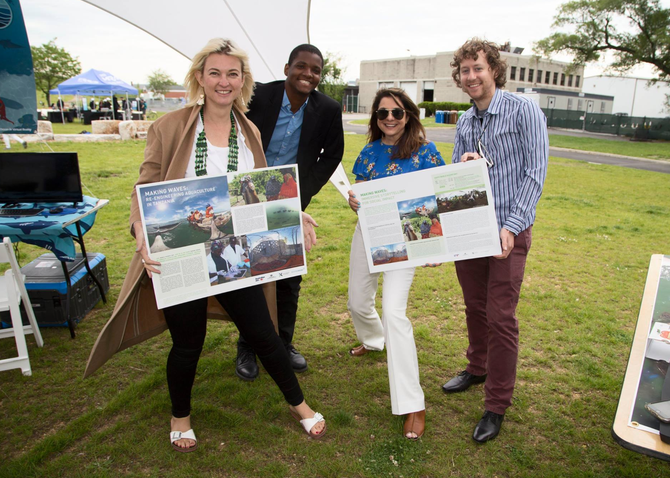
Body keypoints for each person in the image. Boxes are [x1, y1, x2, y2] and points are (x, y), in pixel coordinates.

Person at [88, 38, 327, 453]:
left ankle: (299, 405)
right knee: (188, 341)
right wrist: (139, 227)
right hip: (182, 255)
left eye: (232, 74)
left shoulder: (249, 130)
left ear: (242, 81)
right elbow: (144, 186)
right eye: (214, 72)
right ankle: (180, 416)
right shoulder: (171, 126)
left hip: (234, 254)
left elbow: (259, 190)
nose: (223, 81)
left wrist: (293, 211)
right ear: (200, 77)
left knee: (264, 334)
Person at [442, 38, 548, 444]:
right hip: (473, 229)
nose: (471, 77)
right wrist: (466, 166)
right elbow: (457, 177)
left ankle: (497, 403)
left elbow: (534, 174)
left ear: (494, 70)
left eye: (477, 69)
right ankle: (477, 366)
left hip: (508, 230)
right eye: (464, 71)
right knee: (474, 305)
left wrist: (513, 225)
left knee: (501, 316)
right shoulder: (466, 121)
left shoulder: (523, 111)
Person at [235, 43, 344, 380]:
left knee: (287, 273)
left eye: (315, 70)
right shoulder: (257, 97)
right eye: (301, 66)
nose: (307, 74)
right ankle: (248, 347)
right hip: (249, 194)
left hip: (289, 200)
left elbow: (333, 154)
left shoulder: (327, 108)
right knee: (250, 272)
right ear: (287, 68)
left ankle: (283, 343)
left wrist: (303, 190)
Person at [347, 88, 444, 440]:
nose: (389, 118)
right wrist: (354, 201)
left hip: (407, 240)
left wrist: (435, 246)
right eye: (383, 113)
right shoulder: (369, 150)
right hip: (369, 233)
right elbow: (359, 191)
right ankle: (373, 341)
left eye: (397, 113)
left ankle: (412, 404)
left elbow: (439, 198)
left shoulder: (426, 151)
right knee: (357, 302)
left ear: (409, 116)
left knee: (394, 312)